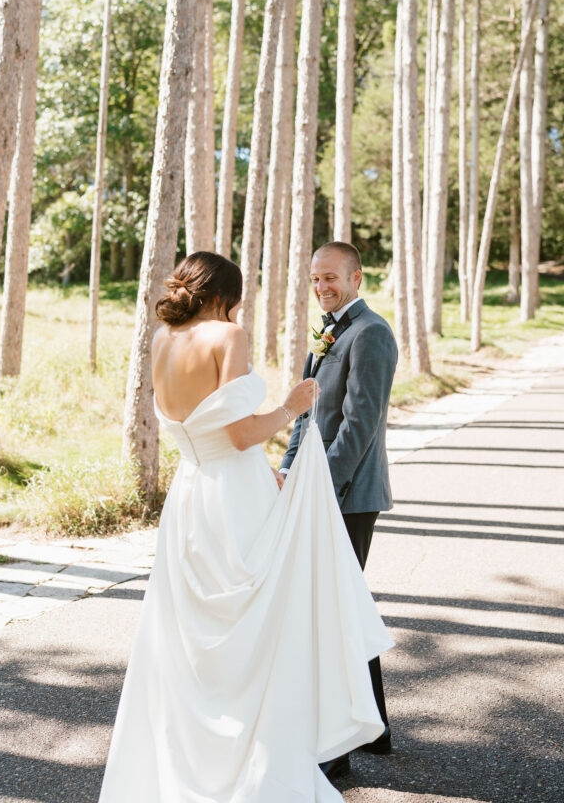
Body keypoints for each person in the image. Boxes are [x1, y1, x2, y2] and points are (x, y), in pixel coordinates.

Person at [99, 251, 393, 803]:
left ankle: (185, 763)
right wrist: (289, 407)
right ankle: (257, 760)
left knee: (190, 639)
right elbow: (237, 435)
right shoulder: (228, 337)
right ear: (225, 294)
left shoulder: (161, 339)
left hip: (189, 498)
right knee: (260, 629)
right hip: (234, 498)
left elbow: (198, 431)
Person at [279, 241, 398, 782]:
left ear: (357, 278)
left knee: (334, 610)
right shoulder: (329, 331)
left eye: (331, 277)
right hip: (316, 486)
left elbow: (359, 423)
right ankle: (374, 730)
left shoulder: (371, 333)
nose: (322, 286)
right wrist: (287, 470)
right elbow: (309, 414)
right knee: (346, 606)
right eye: (315, 278)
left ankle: (338, 748)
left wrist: (321, 486)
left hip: (347, 494)